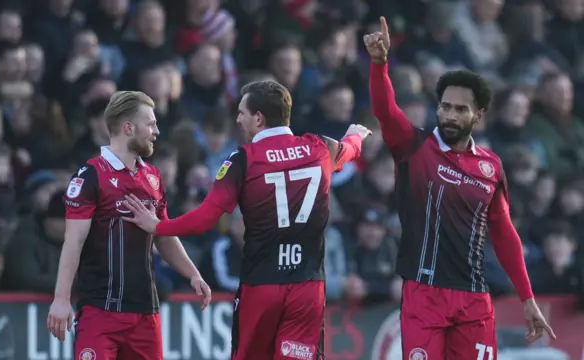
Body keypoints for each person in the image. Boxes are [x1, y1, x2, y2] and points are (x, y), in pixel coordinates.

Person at [121, 80, 371, 360]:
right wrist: (356, 135)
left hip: (261, 285)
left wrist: (159, 226)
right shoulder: (319, 148)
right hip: (307, 286)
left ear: (259, 118)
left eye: (242, 112)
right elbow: (350, 149)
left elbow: (205, 218)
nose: (238, 119)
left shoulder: (242, 160)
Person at [364, 17, 555, 360]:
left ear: (478, 116)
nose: (450, 115)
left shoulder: (490, 167)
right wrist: (380, 66)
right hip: (424, 295)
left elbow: (504, 232)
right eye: (445, 107)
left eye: (460, 109)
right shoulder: (414, 146)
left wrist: (527, 298)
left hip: (473, 300)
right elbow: (385, 111)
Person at [46, 91, 212, 360]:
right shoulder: (90, 176)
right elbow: (73, 242)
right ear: (128, 128)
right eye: (151, 124)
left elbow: (164, 234)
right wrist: (61, 298)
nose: (157, 131)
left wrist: (192, 273)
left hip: (146, 313)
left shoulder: (153, 177)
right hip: (100, 311)